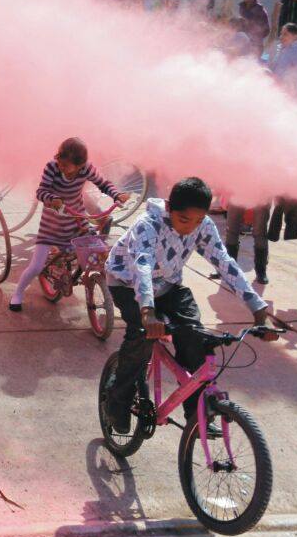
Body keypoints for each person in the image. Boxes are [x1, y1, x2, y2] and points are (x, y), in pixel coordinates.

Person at [103, 178, 276, 432]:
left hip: (169, 285)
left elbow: (224, 262)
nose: (191, 228)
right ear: (169, 207)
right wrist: (148, 312)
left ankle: (198, 415)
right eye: (184, 220)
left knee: (194, 337)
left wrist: (258, 309)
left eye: (198, 220)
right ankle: (116, 403)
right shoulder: (148, 225)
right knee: (141, 338)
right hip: (127, 284)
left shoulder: (202, 226)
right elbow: (142, 266)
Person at [7, 137, 128, 311]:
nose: (62, 166)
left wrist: (116, 195)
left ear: (80, 165)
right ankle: (18, 294)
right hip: (51, 226)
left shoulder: (86, 169)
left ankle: (100, 286)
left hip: (77, 222)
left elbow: (103, 183)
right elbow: (41, 191)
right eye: (60, 162)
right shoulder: (52, 168)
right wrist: (53, 199)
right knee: (36, 266)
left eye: (66, 165)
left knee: (99, 253)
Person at [270, 23, 297, 96]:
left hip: (289, 91)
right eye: (281, 34)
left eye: (285, 34)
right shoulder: (279, 47)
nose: (281, 37)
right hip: (274, 88)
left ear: (295, 36)